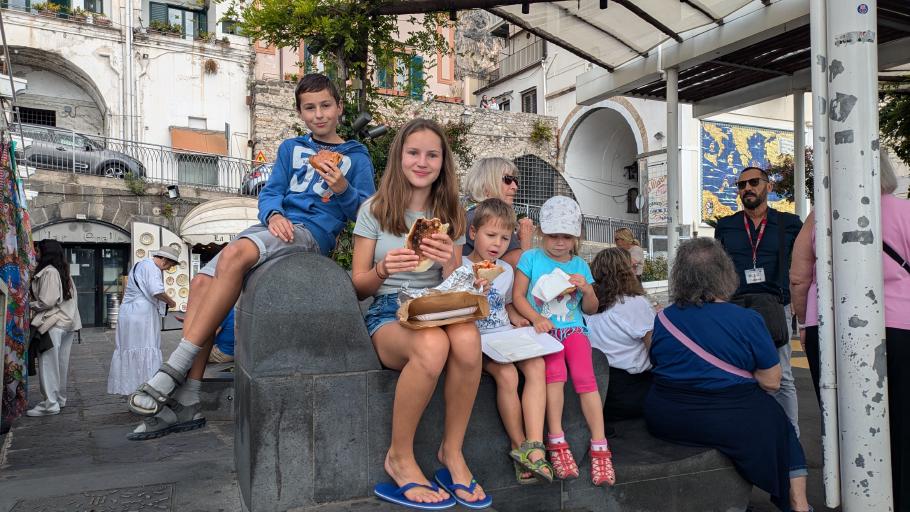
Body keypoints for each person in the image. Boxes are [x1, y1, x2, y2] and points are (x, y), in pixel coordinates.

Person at [125, 73, 376, 440]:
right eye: (310, 108)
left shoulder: (357, 156)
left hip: (311, 234)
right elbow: (271, 192)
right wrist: (273, 214)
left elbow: (366, 214)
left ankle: (173, 368)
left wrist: (342, 188)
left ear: (339, 107)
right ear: (300, 113)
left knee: (236, 253)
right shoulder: (291, 148)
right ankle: (191, 396)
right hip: (273, 226)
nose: (319, 114)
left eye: (325, 106)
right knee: (200, 282)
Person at [352, 118, 490, 509]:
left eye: (432, 154)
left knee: (467, 339)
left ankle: (452, 452)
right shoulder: (374, 210)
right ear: (399, 156)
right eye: (414, 152)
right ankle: (399, 456)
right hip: (387, 312)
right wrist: (383, 270)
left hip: (438, 306)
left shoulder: (453, 213)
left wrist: (450, 262)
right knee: (431, 346)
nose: (422, 162)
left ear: (443, 162)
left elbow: (458, 283)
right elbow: (357, 285)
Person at [644, 238, 810, 512]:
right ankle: (798, 503)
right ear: (725, 272)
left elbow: (658, 361)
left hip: (666, 416)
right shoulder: (747, 320)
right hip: (729, 418)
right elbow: (772, 381)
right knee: (781, 425)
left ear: (679, 277)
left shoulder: (663, 319)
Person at [790, 151, 910, 510]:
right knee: (902, 423)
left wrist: (802, 322)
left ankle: (854, 496)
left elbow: (798, 278)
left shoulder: (819, 218)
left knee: (842, 420)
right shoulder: (905, 212)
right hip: (900, 325)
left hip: (828, 329)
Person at [511, 196, 615, 487]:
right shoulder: (531, 258)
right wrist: (535, 318)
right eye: (554, 235)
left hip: (573, 331)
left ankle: (599, 443)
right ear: (543, 233)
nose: (559, 242)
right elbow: (518, 296)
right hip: (546, 333)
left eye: (566, 237)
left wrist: (588, 290)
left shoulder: (580, 264)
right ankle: (556, 438)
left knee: (586, 379)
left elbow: (591, 308)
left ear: (575, 237)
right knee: (554, 377)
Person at [463, 198, 553, 485]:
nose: (497, 244)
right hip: (478, 340)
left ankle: (534, 445)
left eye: (505, 238)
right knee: (507, 373)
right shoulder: (461, 267)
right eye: (491, 235)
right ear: (473, 233)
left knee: (537, 364)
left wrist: (518, 316)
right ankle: (518, 445)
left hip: (505, 334)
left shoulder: (507, 270)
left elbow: (506, 303)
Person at [714, 166, 802, 436]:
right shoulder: (726, 226)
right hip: (737, 307)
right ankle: (754, 432)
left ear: (769, 187)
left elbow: (802, 265)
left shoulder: (789, 223)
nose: (747, 188)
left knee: (782, 374)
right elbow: (719, 267)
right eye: (741, 185)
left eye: (754, 182)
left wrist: (799, 303)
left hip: (776, 304)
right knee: (741, 371)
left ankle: (790, 436)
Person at [584, 247, 655, 424]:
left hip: (597, 395)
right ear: (626, 272)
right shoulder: (634, 303)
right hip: (632, 393)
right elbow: (655, 351)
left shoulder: (585, 303)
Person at [108, 246, 178, 397]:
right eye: (170, 265)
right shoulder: (152, 268)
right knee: (146, 347)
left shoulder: (140, 264)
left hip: (128, 312)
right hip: (142, 314)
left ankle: (132, 388)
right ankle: (147, 390)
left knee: (129, 348)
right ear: (164, 259)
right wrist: (171, 302)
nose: (168, 269)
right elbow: (157, 291)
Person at [26, 240, 81, 417]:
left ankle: (50, 404)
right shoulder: (62, 271)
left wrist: (29, 304)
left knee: (48, 363)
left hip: (52, 323)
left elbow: (47, 301)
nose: (35, 254)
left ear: (44, 252)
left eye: (37, 250)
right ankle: (59, 399)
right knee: (61, 363)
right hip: (67, 322)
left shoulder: (48, 272)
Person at [462, 157, 535, 267]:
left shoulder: (467, 213)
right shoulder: (489, 218)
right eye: (507, 180)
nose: (515, 187)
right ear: (486, 183)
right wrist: (526, 240)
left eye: (515, 181)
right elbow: (521, 268)